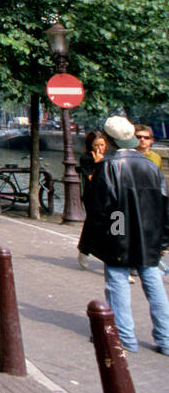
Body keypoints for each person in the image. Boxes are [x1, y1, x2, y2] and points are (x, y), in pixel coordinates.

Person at [76, 116, 169, 353]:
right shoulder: (151, 166)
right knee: (153, 282)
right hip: (148, 235)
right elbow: (164, 206)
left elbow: (99, 211)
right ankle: (166, 339)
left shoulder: (108, 167)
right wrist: (163, 241)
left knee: (117, 281)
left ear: (108, 140)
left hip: (120, 232)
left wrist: (85, 246)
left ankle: (124, 338)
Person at [134, 125, 165, 192]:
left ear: (152, 140)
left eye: (146, 137)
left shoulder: (156, 157)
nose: (142, 139)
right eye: (138, 137)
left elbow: (160, 179)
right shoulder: (129, 155)